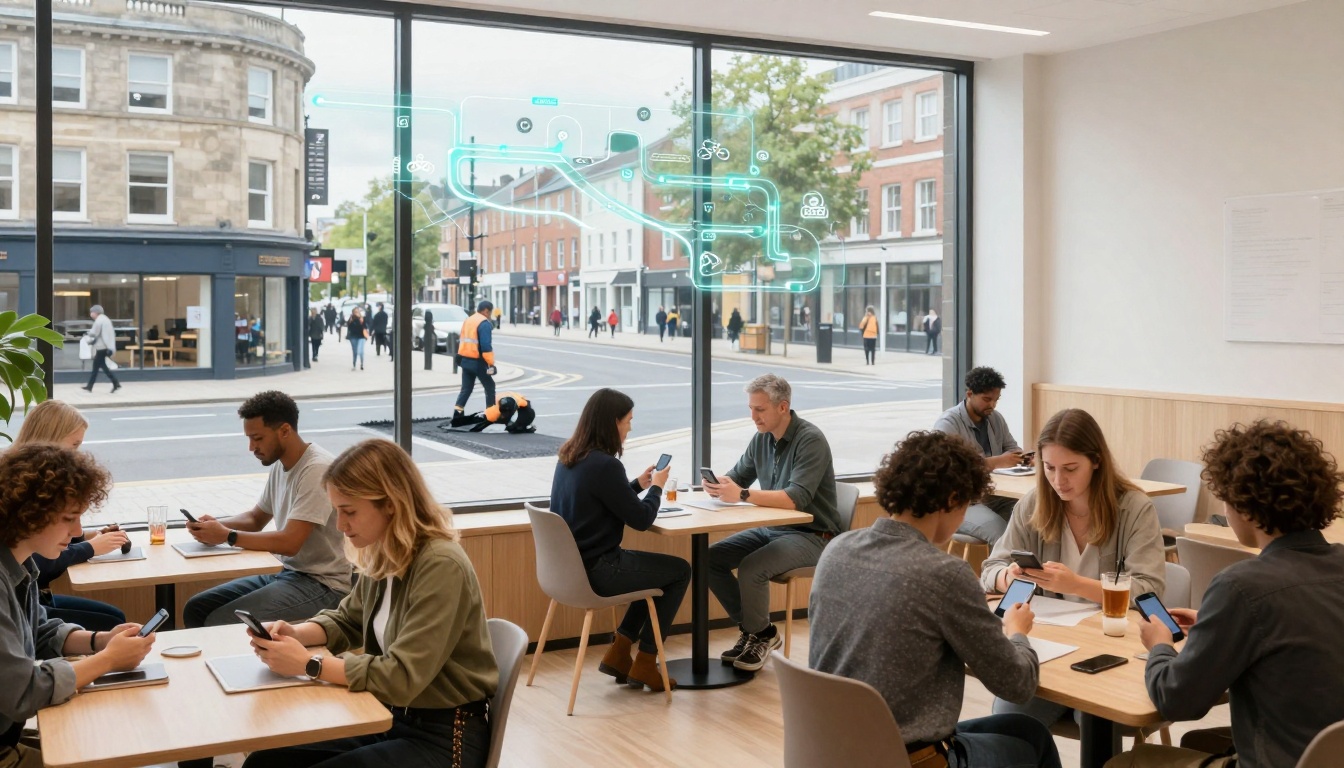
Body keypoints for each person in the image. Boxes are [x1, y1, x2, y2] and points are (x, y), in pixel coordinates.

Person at [810, 430, 1060, 768]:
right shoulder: (946, 574)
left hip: (835, 748)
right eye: (967, 506)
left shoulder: (836, 550)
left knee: (1028, 732)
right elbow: (1017, 684)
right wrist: (1017, 632)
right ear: (952, 499)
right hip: (910, 758)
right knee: (1032, 749)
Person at [242, 439, 499, 768]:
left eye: (349, 511)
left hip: (445, 737)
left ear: (391, 504)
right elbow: (349, 619)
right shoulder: (386, 551)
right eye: (337, 510)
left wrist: (309, 665)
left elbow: (402, 676)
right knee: (265, 763)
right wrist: (296, 633)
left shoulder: (440, 564)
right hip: (388, 715)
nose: (340, 525)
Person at [1105, 421, 1344, 768]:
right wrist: (1216, 626)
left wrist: (1159, 645)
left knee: (1125, 763)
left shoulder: (1242, 587)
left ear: (1245, 508)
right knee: (1200, 742)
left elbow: (1176, 700)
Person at [981, 407, 1165, 728]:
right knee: (1008, 721)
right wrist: (1006, 576)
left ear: (1096, 461)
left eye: (1070, 468)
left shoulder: (1134, 508)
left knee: (1094, 719)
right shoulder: (1035, 502)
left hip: (1112, 651)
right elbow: (991, 567)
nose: (1058, 480)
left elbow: (1148, 590)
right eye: (1049, 467)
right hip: (1051, 647)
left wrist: (1075, 584)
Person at [0, 443, 156, 768]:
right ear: (29, 512)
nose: (75, 532)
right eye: (69, 519)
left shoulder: (19, 564)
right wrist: (108, 659)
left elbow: (40, 630)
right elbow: (24, 691)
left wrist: (100, 640)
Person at [551, 388, 689, 692]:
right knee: (679, 571)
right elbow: (640, 520)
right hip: (600, 570)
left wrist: (637, 485)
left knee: (648, 575)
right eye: (628, 421)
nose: (629, 427)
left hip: (569, 572)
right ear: (613, 423)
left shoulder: (569, 457)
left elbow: (603, 499)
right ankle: (645, 661)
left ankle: (619, 652)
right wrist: (656, 489)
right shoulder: (606, 465)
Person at [703, 374, 842, 672]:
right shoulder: (762, 439)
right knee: (708, 559)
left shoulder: (810, 440)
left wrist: (739, 493)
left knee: (753, 567)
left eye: (759, 410)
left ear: (783, 407)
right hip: (775, 529)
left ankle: (757, 633)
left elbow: (796, 499)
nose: (753, 416)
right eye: (751, 408)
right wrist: (718, 485)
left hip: (814, 535)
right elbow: (738, 477)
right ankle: (759, 631)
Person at [182, 391, 352, 628]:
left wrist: (227, 536)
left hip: (324, 585)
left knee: (221, 621)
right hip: (291, 574)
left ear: (284, 431)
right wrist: (217, 526)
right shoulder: (281, 464)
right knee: (196, 608)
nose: (251, 447)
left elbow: (289, 543)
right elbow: (255, 518)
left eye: (257, 438)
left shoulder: (316, 469)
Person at [14, 401, 128, 632]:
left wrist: (85, 537)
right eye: (74, 445)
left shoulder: (25, 476)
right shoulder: (25, 487)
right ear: (50, 439)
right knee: (113, 620)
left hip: (34, 598)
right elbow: (39, 562)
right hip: (31, 600)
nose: (77, 454)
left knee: (114, 617)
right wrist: (90, 547)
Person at [934, 366, 1029, 545]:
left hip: (995, 496)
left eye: (996, 400)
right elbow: (947, 469)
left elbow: (1011, 447)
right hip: (961, 503)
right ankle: (996, 573)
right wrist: (997, 462)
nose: (992, 405)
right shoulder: (948, 423)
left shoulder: (996, 418)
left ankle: (1023, 573)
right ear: (969, 394)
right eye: (987, 399)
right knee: (1003, 535)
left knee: (1032, 522)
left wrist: (1023, 457)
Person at [453, 300, 498, 427]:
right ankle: (491, 415)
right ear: (486, 311)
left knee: (466, 388)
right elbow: (485, 346)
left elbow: (462, 340)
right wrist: (491, 363)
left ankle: (458, 413)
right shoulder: (484, 323)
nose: (490, 315)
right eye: (490, 312)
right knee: (490, 386)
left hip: (465, 359)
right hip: (478, 361)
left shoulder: (469, 320)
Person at [80, 304, 120, 393]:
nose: (91, 314)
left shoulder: (99, 320)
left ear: (96, 312)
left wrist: (87, 334)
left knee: (101, 366)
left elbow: (94, 332)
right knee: (97, 366)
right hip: (104, 347)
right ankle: (90, 386)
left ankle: (115, 382)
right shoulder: (105, 319)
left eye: (92, 312)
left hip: (102, 347)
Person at [346, 306, 368, 371]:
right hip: (353, 337)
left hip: (361, 337)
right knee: (355, 351)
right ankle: (354, 364)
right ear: (353, 313)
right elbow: (349, 327)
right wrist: (351, 321)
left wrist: (361, 321)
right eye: (355, 312)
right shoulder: (351, 319)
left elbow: (365, 327)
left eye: (358, 312)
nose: (357, 313)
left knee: (360, 351)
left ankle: (362, 364)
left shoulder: (362, 319)